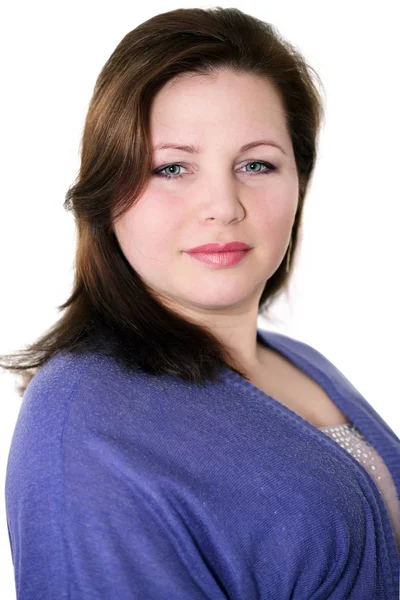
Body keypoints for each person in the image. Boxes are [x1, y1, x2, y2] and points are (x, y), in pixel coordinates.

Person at [2, 6, 399, 599]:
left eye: (257, 163)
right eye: (172, 167)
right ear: (108, 192)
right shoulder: (89, 428)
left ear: (300, 183)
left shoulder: (300, 361)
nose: (223, 205)